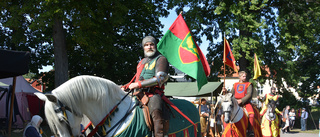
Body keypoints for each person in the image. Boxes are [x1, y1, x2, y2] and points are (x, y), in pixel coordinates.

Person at [122, 36, 170, 137]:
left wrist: (138, 84)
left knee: (156, 111)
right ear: (143, 47)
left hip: (153, 94)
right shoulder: (141, 62)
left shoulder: (161, 59)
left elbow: (160, 78)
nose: (149, 47)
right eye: (146, 45)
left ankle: (160, 135)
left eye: (151, 44)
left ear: (155, 46)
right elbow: (136, 80)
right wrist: (125, 86)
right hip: (138, 93)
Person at [230, 71, 255, 136]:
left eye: (245, 76)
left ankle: (250, 131)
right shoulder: (235, 84)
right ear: (240, 77)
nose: (245, 77)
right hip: (235, 103)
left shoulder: (249, 84)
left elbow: (249, 94)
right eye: (243, 76)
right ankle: (227, 128)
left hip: (245, 103)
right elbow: (231, 94)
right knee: (226, 113)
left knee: (251, 115)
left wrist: (241, 100)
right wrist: (225, 92)